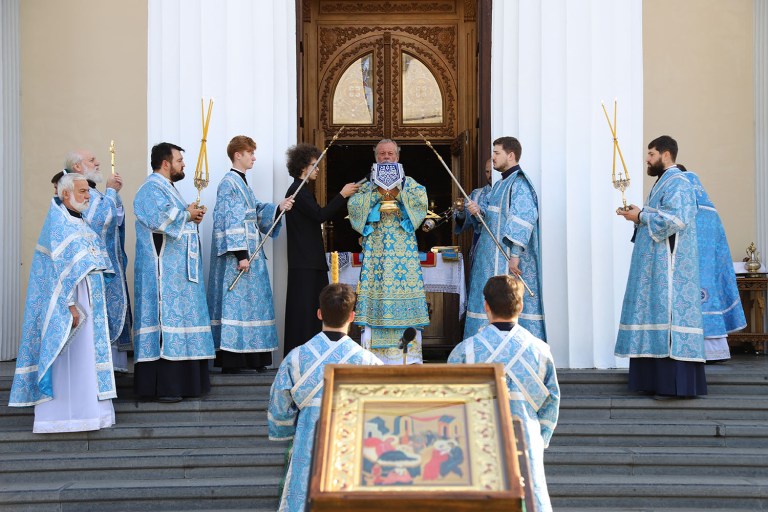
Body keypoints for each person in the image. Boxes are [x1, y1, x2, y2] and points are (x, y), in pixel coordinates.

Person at [9, 173, 116, 433]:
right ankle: (62, 417)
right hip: (73, 305)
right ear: (65, 194)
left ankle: (92, 414)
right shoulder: (58, 224)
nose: (88, 196)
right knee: (72, 360)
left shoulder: (79, 221)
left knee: (88, 359)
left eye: (88, 192)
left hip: (91, 301)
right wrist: (68, 305)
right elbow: (56, 272)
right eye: (82, 192)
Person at [448, 275, 559, 512]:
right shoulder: (540, 351)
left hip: (478, 439)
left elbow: (451, 405)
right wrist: (540, 439)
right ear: (521, 305)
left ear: (486, 306)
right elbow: (552, 401)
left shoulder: (464, 352)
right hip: (527, 438)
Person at [268, 283, 382, 511]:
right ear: (352, 316)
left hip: (308, 445)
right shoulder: (369, 362)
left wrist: (292, 429)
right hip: (354, 448)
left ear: (319, 313)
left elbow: (279, 409)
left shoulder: (296, 358)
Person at [615, 135, 706, 398]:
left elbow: (677, 219)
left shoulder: (678, 182)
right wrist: (639, 213)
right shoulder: (663, 182)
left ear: (666, 154)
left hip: (669, 269)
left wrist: (641, 216)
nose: (647, 158)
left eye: (651, 154)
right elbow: (660, 215)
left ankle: (672, 385)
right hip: (654, 267)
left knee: (666, 317)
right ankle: (652, 381)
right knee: (650, 313)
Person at [133, 142, 215, 402]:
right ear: (165, 163)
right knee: (167, 327)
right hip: (163, 276)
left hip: (181, 276)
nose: (183, 165)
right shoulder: (150, 189)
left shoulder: (169, 189)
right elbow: (160, 221)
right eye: (179, 160)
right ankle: (167, 387)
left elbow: (176, 216)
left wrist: (190, 214)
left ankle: (190, 385)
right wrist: (186, 215)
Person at [207, 136, 294, 374]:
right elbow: (230, 220)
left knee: (254, 306)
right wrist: (241, 255)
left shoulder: (242, 183)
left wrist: (278, 207)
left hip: (250, 253)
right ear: (238, 155)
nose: (253, 157)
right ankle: (234, 360)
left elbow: (255, 210)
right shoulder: (229, 183)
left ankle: (255, 359)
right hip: (240, 258)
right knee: (237, 306)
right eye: (250, 153)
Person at [347, 139, 430, 364]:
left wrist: (397, 190)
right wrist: (377, 192)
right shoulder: (366, 186)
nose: (386, 157)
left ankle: (408, 357)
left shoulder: (410, 184)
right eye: (382, 153)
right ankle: (374, 358)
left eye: (390, 153)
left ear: (398, 157)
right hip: (376, 252)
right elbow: (354, 208)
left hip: (404, 252)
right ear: (375, 157)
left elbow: (421, 206)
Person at [50, 150, 133, 372]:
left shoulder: (93, 191)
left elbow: (115, 221)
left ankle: (111, 368)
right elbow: (98, 221)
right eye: (92, 160)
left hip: (107, 265)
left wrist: (113, 196)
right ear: (77, 167)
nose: (98, 163)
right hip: (89, 273)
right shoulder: (75, 192)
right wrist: (112, 193)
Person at [464, 137, 546, 341]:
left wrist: (515, 255)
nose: (492, 157)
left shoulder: (519, 183)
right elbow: (493, 220)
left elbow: (523, 218)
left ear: (511, 155)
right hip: (488, 258)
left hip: (506, 260)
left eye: (496, 153)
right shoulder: (501, 184)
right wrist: (478, 212)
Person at [283, 143, 359, 355]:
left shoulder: (302, 190)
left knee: (310, 310)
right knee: (305, 311)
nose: (317, 169)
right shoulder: (298, 190)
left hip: (307, 260)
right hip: (305, 261)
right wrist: (342, 195)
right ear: (302, 167)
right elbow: (320, 215)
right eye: (314, 165)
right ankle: (302, 353)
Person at [679, 165, 747, 362]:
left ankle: (688, 352)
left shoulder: (684, 210)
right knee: (708, 300)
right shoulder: (712, 212)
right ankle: (715, 352)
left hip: (685, 270)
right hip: (708, 271)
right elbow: (721, 248)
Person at [453, 158, 493, 267]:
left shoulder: (506, 192)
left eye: (492, 171)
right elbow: (464, 218)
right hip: (480, 245)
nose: (490, 175)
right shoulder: (477, 194)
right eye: (487, 172)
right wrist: (461, 211)